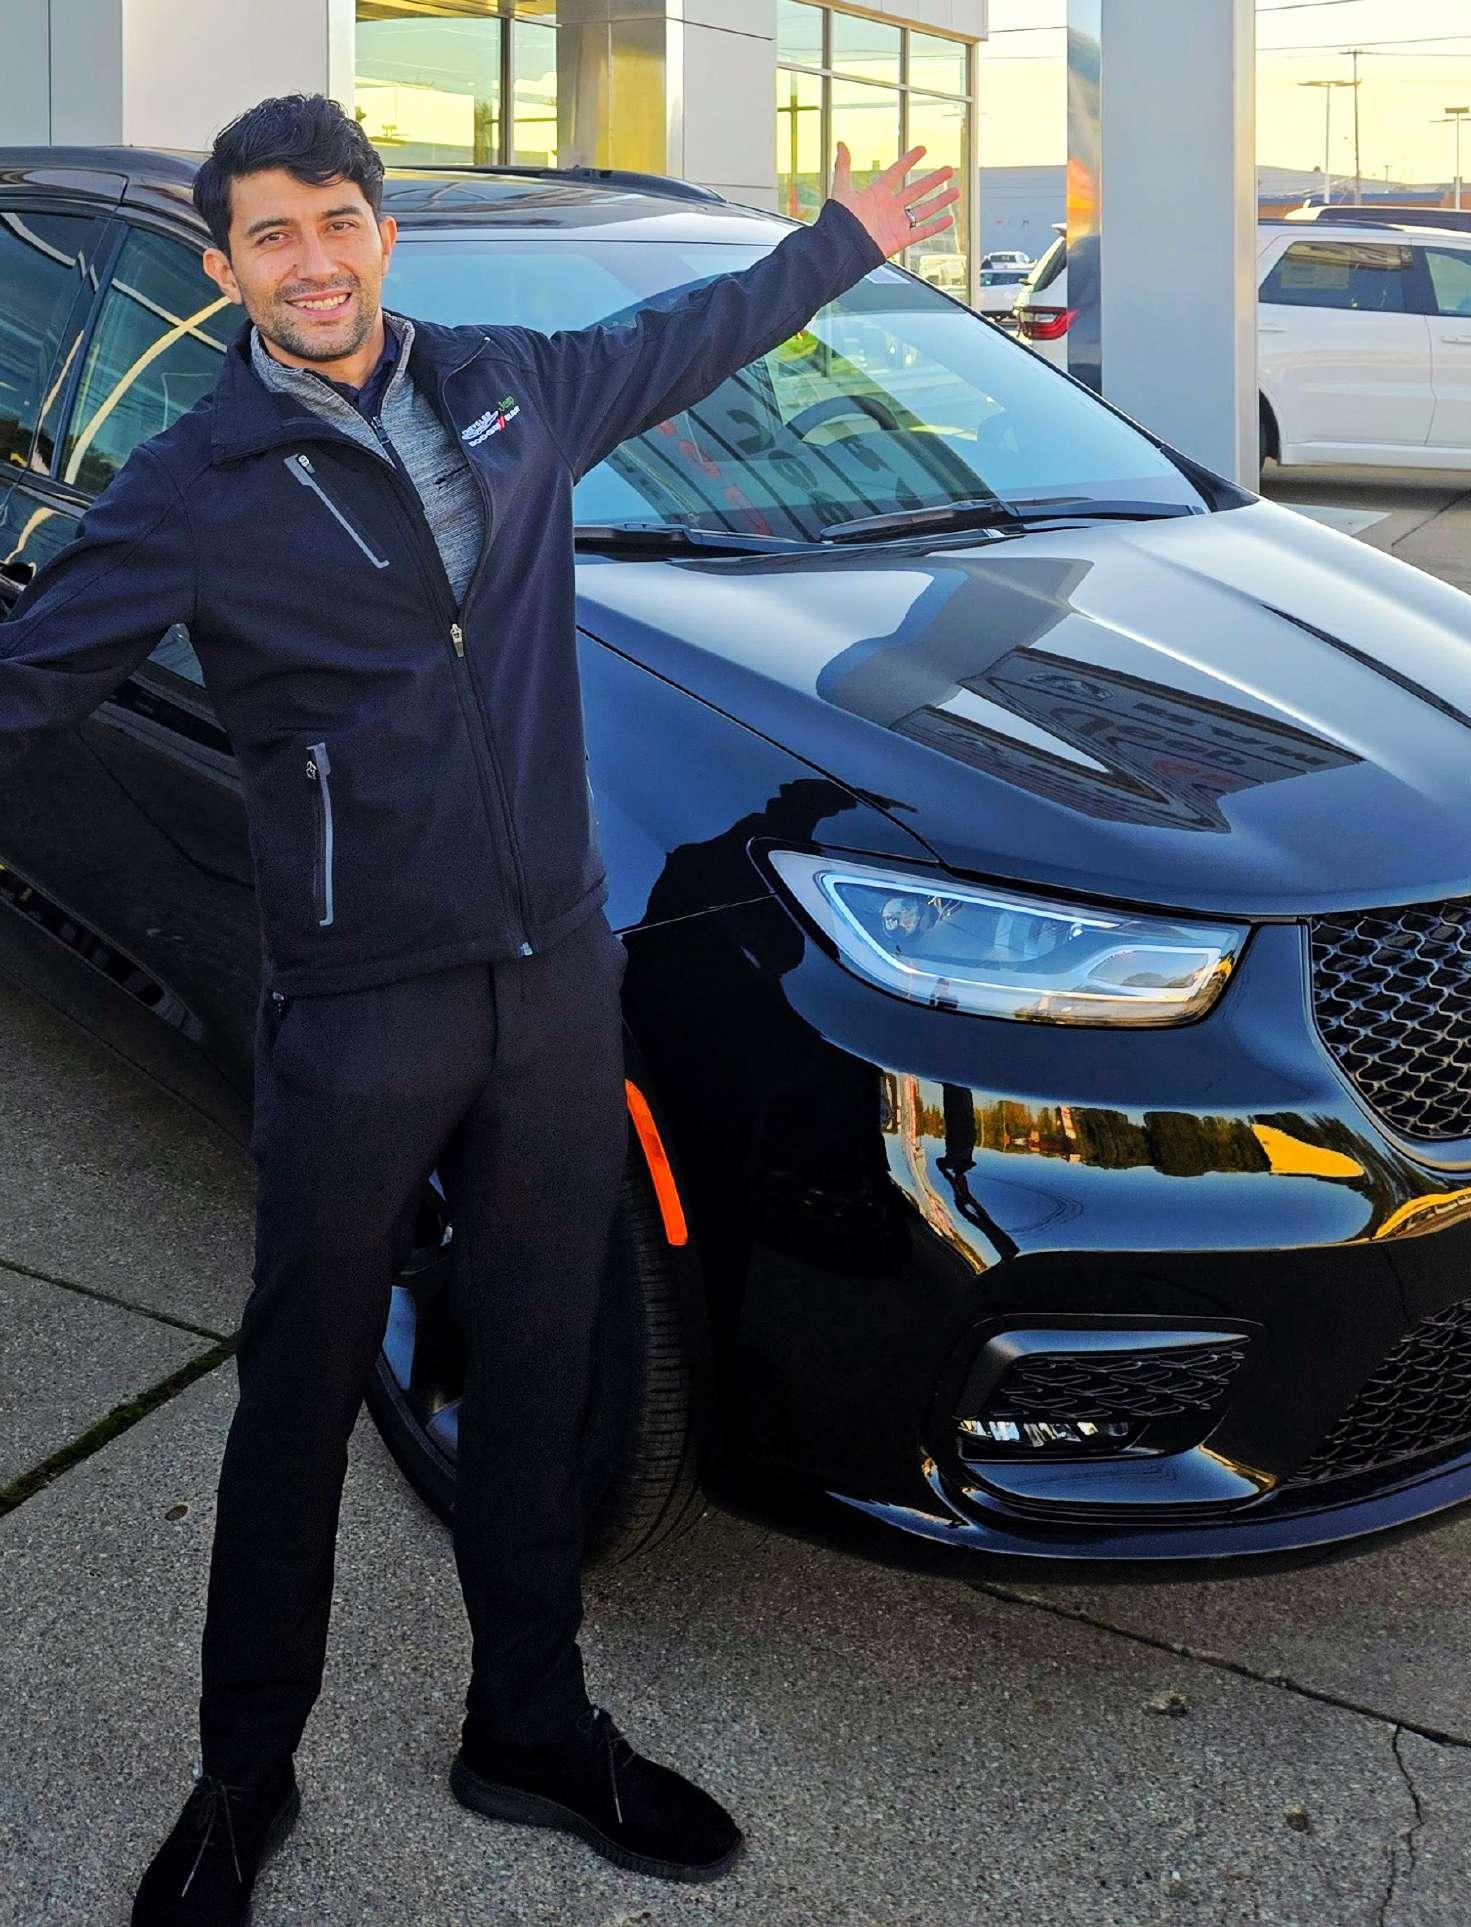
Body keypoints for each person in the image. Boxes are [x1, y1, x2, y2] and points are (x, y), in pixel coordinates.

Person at [0, 94, 956, 1923]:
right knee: (301, 1393)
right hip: (362, 1004)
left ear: (381, 232)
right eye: (270, 236)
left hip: (553, 976)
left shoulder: (509, 384)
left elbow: (685, 338)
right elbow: (28, 684)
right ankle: (240, 1776)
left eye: (334, 222)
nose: (312, 261)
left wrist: (843, 243)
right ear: (226, 268)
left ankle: (530, 1727)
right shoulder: (191, 482)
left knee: (532, 1363)